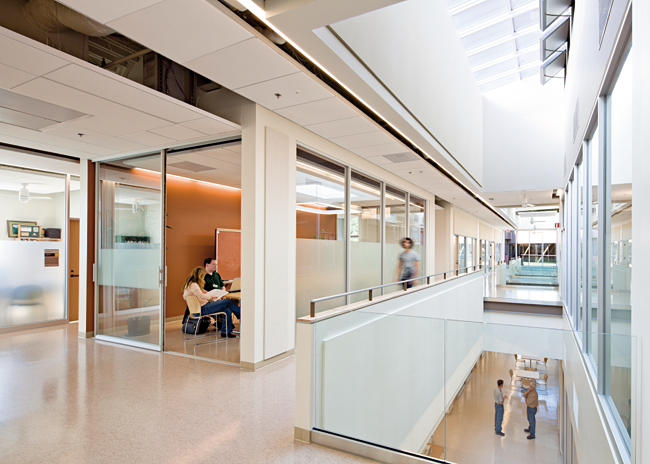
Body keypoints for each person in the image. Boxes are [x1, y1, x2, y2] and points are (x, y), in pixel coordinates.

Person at [182, 267, 240, 338]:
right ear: (199, 276)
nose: (203, 278)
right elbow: (201, 297)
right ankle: (241, 314)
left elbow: (190, 296)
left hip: (198, 309)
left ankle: (225, 332)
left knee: (226, 310)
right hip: (202, 308)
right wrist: (211, 296)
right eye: (203, 276)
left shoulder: (190, 284)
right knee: (227, 301)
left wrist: (203, 292)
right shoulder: (194, 285)